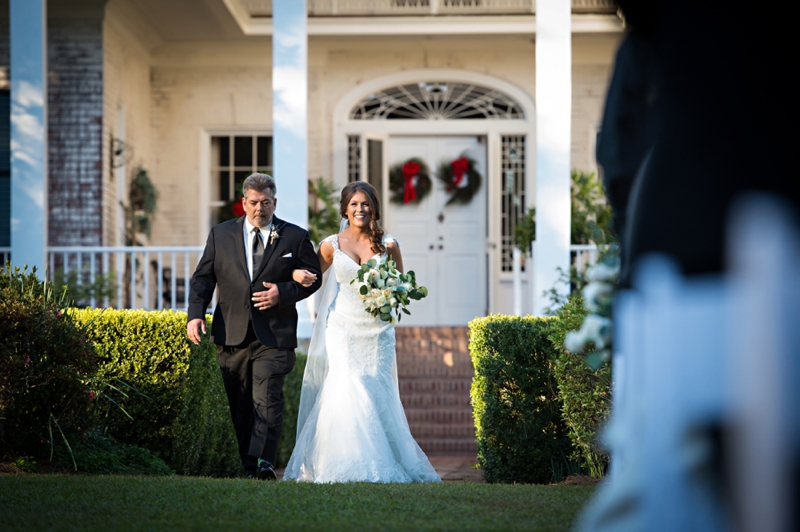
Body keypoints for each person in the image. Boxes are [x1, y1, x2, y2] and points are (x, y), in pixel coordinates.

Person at [283, 181, 441, 483]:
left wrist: (391, 294)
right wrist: (292, 273)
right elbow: (311, 278)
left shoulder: (389, 244)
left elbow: (403, 285)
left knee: (375, 388)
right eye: (354, 204)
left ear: (374, 208)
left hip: (377, 332)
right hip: (342, 328)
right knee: (348, 384)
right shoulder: (331, 245)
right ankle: (345, 461)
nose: (360, 209)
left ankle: (388, 459)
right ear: (345, 208)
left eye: (366, 204)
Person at [187, 173, 322, 480]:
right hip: (231, 333)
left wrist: (283, 292)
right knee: (239, 403)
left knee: (267, 398)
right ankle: (247, 466)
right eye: (253, 202)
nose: (259, 208)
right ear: (243, 202)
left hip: (274, 336)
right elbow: (204, 278)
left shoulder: (295, 237)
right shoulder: (220, 235)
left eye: (265, 203)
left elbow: (314, 277)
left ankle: (262, 464)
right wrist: (196, 314)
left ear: (275, 202)